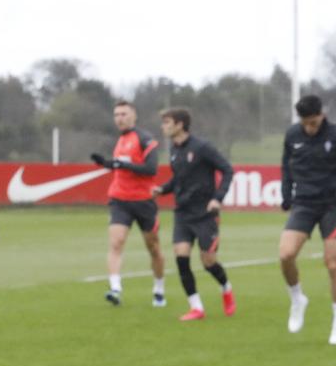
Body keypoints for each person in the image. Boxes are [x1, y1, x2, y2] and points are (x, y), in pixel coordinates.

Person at [278, 94, 336, 343]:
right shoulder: (292, 135)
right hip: (304, 204)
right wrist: (286, 194)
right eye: (305, 123)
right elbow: (286, 166)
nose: (309, 128)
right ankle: (297, 298)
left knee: (333, 264)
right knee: (285, 254)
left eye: (313, 123)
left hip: (332, 205)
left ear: (322, 115)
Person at [154, 107, 236, 323]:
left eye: (167, 122)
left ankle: (226, 288)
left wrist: (218, 197)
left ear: (180, 124)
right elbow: (178, 179)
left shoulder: (202, 147)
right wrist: (162, 189)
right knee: (181, 258)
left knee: (208, 262)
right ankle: (196, 307)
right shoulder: (173, 150)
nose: (163, 126)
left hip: (205, 214)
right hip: (182, 213)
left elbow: (227, 170)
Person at [89, 100, 167, 308]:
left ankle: (159, 288)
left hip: (143, 201)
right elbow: (120, 168)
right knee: (116, 243)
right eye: (116, 115)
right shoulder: (120, 140)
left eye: (123, 114)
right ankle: (115, 289)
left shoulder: (145, 139)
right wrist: (105, 163)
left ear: (134, 116)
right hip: (119, 199)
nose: (119, 118)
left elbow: (150, 169)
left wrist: (121, 164)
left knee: (153, 248)